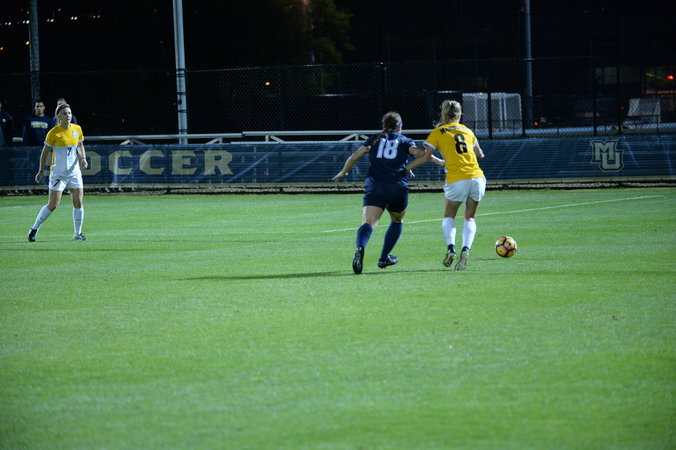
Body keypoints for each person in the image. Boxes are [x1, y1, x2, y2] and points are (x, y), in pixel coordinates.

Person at [332, 111, 443, 274]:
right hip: (397, 186)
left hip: (375, 185)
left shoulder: (375, 139)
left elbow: (354, 156)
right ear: (399, 127)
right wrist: (439, 161)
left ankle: (360, 248)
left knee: (369, 222)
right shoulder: (404, 140)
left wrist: (344, 172)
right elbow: (422, 154)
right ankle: (384, 258)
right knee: (397, 220)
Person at [407, 100, 485, 271]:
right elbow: (480, 153)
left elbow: (426, 157)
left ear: (443, 114)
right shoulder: (468, 131)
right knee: (470, 217)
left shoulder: (437, 132)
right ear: (459, 115)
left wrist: (407, 167)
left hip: (457, 178)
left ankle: (451, 248)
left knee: (449, 215)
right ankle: (466, 249)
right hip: (477, 177)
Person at [28, 103, 88, 242]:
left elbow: (80, 145)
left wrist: (83, 158)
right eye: (65, 113)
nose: (68, 116)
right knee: (53, 204)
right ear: (58, 116)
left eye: (69, 113)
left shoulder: (77, 129)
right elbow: (44, 153)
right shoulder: (53, 132)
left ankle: (77, 234)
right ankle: (34, 228)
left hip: (74, 173)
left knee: (78, 203)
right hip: (58, 174)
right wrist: (41, 170)